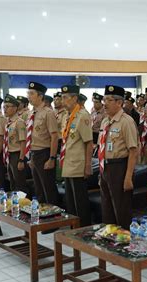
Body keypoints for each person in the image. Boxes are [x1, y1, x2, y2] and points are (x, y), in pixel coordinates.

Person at [98, 85, 138, 227]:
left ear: (119, 103)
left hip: (120, 168)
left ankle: (125, 242)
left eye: (109, 100)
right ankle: (110, 240)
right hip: (105, 167)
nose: (105, 103)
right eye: (104, 100)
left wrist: (128, 177)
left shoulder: (126, 122)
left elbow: (133, 151)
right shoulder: (105, 121)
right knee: (107, 208)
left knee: (121, 210)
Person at [59, 85, 93, 226]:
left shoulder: (83, 115)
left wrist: (88, 165)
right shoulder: (66, 116)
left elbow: (89, 142)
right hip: (68, 163)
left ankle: (83, 228)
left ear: (74, 98)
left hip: (78, 165)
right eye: (62, 97)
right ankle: (74, 227)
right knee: (70, 201)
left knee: (80, 201)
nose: (62, 100)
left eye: (66, 97)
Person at [25, 82, 59, 205]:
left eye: (31, 93)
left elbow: (54, 136)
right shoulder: (31, 113)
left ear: (40, 96)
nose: (29, 96)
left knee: (48, 188)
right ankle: (42, 217)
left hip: (44, 153)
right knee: (38, 188)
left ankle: (54, 219)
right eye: (28, 93)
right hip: (34, 153)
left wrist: (52, 158)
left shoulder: (48, 113)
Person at [2, 94, 28, 194]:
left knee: (20, 183)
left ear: (15, 108)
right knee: (12, 182)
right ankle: (15, 204)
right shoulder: (8, 123)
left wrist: (21, 159)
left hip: (17, 155)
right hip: (9, 155)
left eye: (7, 107)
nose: (5, 109)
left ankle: (23, 205)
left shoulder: (19, 122)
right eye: (4, 107)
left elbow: (23, 142)